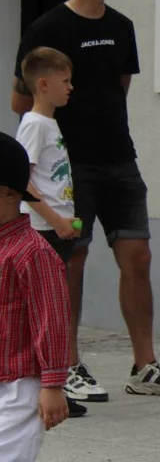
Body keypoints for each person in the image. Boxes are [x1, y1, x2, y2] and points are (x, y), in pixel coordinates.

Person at [11, 0, 160, 401]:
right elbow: (22, 100)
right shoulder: (46, 29)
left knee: (138, 257)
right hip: (70, 170)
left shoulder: (122, 26)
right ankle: (68, 364)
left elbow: (120, 88)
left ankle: (145, 366)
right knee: (70, 262)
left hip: (121, 160)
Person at [14, 47, 87, 419]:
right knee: (46, 310)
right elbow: (23, 179)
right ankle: (47, 385)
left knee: (54, 306)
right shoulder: (34, 125)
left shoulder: (50, 124)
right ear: (43, 84)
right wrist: (55, 220)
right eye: (65, 81)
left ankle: (53, 384)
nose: (70, 87)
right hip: (43, 230)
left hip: (57, 228)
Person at [0, 132, 71, 459]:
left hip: (21, 388)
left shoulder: (32, 253)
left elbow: (52, 321)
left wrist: (53, 384)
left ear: (6, 193)